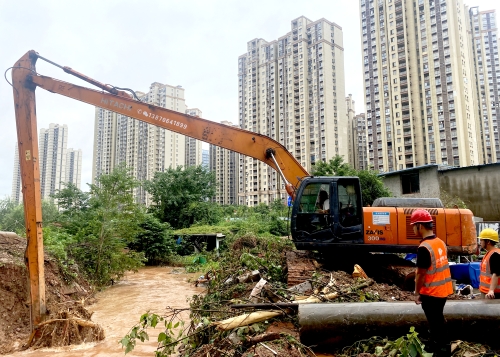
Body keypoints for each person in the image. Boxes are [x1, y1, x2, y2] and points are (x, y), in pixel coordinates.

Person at [411, 209, 452, 357]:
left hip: (431, 294)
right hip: (442, 291)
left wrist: (417, 293)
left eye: (413, 226)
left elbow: (420, 275)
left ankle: (442, 350)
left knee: (436, 323)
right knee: (438, 320)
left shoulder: (424, 248)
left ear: (420, 226)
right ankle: (442, 347)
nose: (413, 229)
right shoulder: (440, 242)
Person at [478, 228, 500, 299]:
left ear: (488, 242)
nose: (480, 242)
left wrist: (491, 290)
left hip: (493, 294)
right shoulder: (489, 253)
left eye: (481, 240)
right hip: (486, 292)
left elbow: (496, 274)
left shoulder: (495, 255)